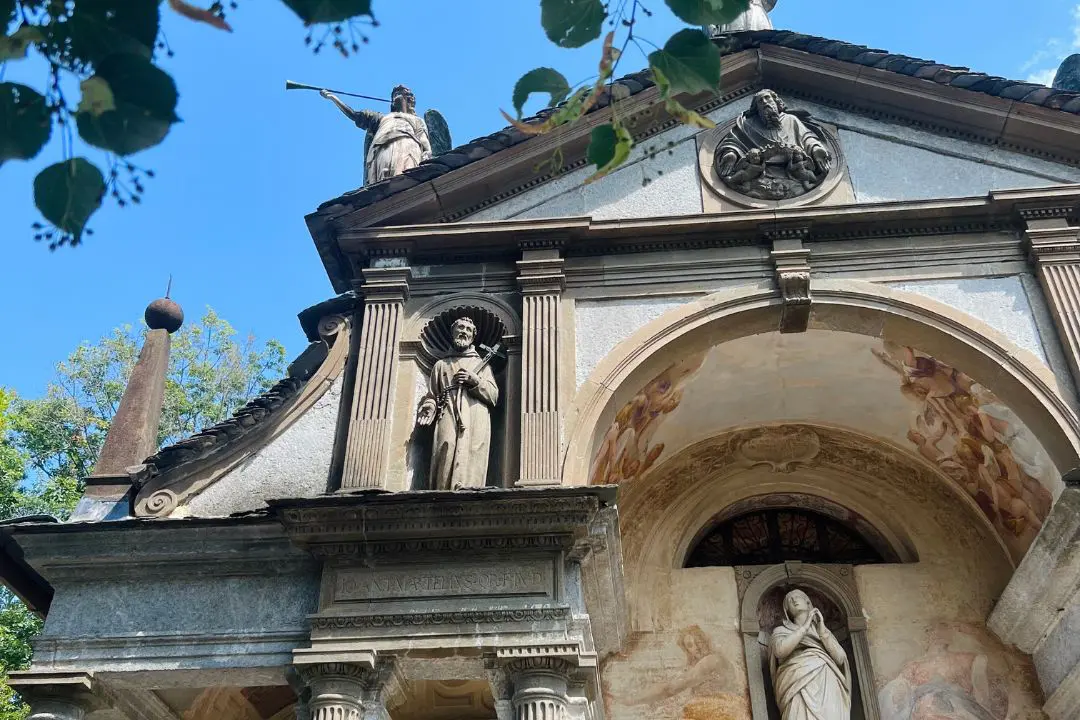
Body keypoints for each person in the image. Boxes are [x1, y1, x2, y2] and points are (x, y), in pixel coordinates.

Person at [416, 317, 498, 489]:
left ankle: (471, 488)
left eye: (469, 329)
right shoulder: (440, 365)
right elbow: (432, 394)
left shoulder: (481, 365)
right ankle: (443, 489)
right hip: (449, 410)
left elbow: (493, 395)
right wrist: (428, 407)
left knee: (473, 450)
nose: (464, 332)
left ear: (473, 336)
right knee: (446, 445)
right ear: (452, 331)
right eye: (460, 327)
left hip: (475, 413)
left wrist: (474, 380)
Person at [320, 84, 432, 185]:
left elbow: (422, 138)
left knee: (405, 175)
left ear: (408, 99)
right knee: (383, 179)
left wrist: (427, 151)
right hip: (381, 147)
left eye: (400, 93)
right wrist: (332, 97)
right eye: (395, 94)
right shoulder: (381, 118)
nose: (396, 96)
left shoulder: (416, 119)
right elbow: (354, 115)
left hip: (407, 144)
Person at [769, 589, 851, 720]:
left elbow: (840, 659)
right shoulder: (781, 631)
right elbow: (780, 651)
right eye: (790, 600)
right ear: (787, 611)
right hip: (796, 679)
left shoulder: (823, 631)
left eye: (798, 597)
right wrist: (805, 627)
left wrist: (823, 632)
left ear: (808, 602)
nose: (794, 600)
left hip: (826, 678)